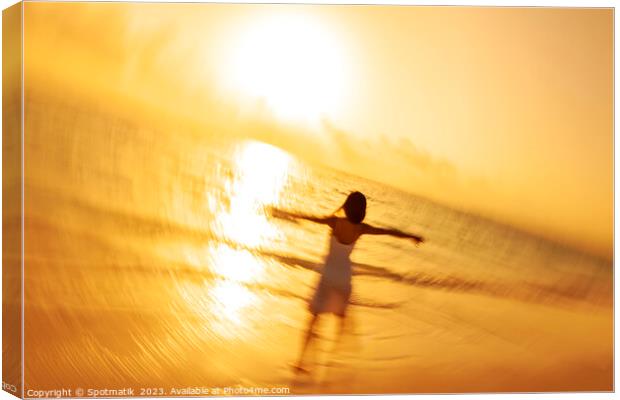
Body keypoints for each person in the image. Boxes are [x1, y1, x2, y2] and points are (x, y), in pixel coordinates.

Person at [271, 191, 424, 372]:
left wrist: (284, 213)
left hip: (328, 276)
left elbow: (310, 218)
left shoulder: (334, 222)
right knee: (340, 320)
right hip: (344, 278)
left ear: (347, 206)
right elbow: (388, 232)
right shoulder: (361, 229)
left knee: (314, 320)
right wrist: (411, 236)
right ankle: (334, 360)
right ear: (362, 210)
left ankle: (302, 362)